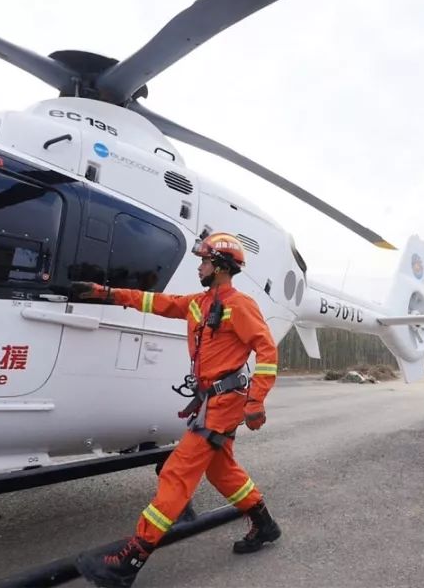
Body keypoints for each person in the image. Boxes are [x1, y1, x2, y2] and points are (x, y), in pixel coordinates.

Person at [72, 233, 280, 588]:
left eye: (204, 261)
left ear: (219, 267)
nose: (199, 266)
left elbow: (267, 351)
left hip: (225, 403)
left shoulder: (240, 306)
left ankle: (129, 560)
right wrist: (108, 294)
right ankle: (265, 525)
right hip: (210, 401)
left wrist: (256, 401)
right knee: (221, 470)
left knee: (176, 473)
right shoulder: (199, 304)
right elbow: (158, 302)